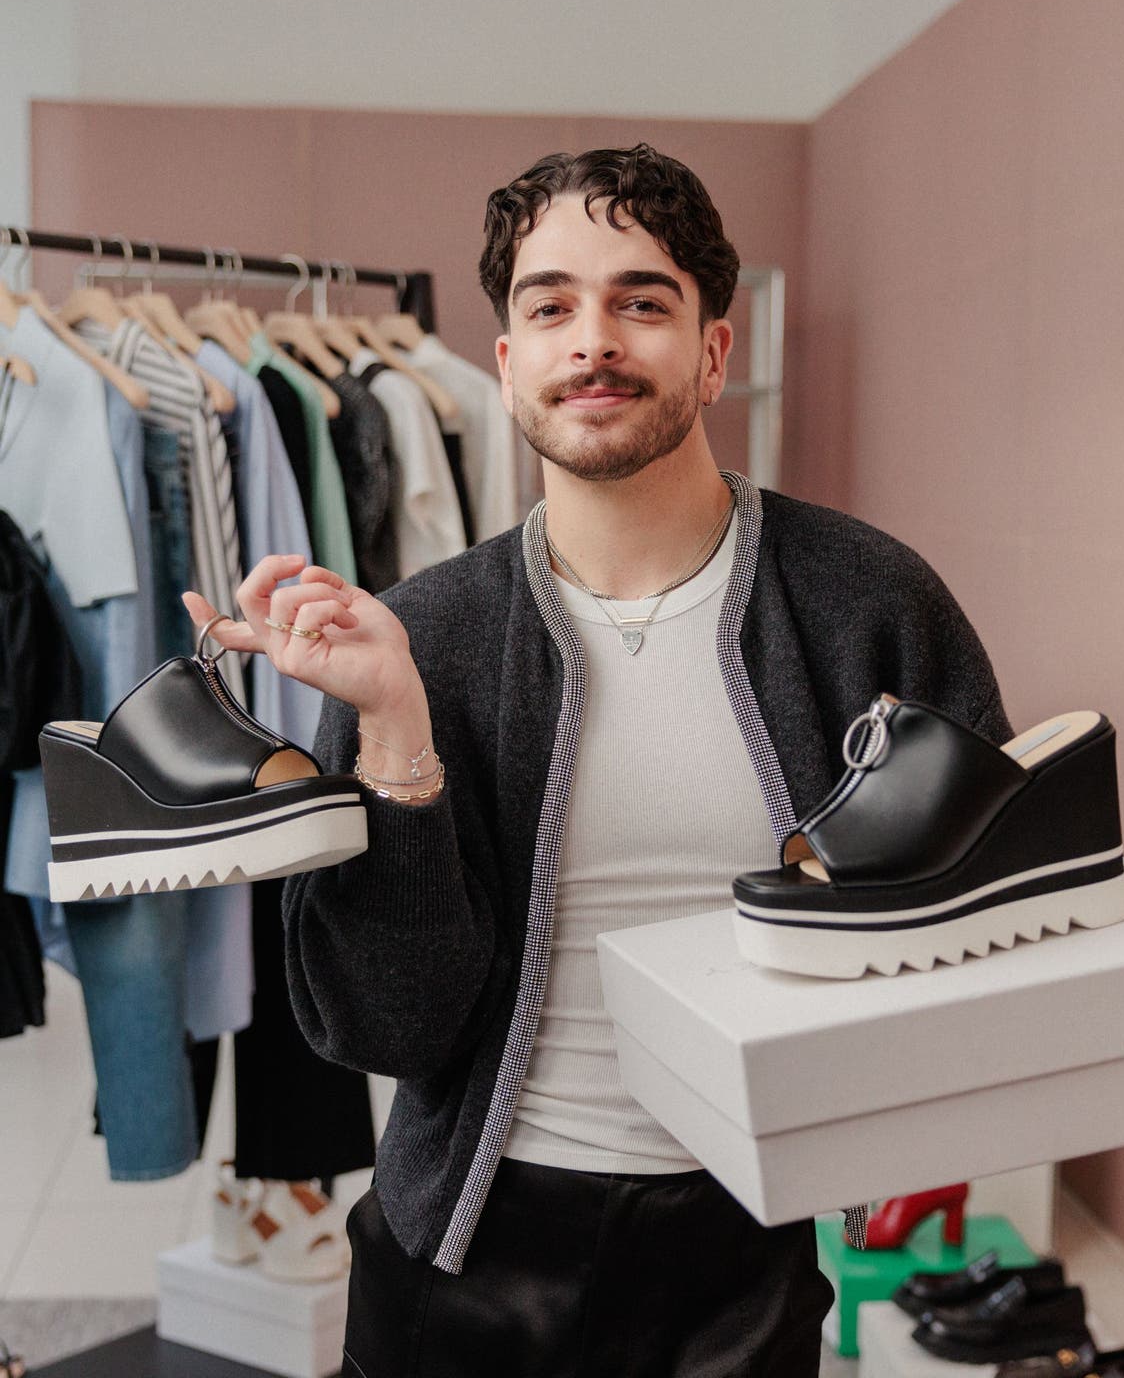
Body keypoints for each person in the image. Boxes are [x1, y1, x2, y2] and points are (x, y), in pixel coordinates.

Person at [185, 144, 1010, 1377]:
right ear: (509, 364)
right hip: (460, 1254)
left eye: (640, 300)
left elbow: (978, 933)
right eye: (551, 304)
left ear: (713, 352)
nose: (594, 340)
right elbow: (386, 1028)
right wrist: (396, 732)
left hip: (743, 1247)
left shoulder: (869, 604)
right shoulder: (423, 635)